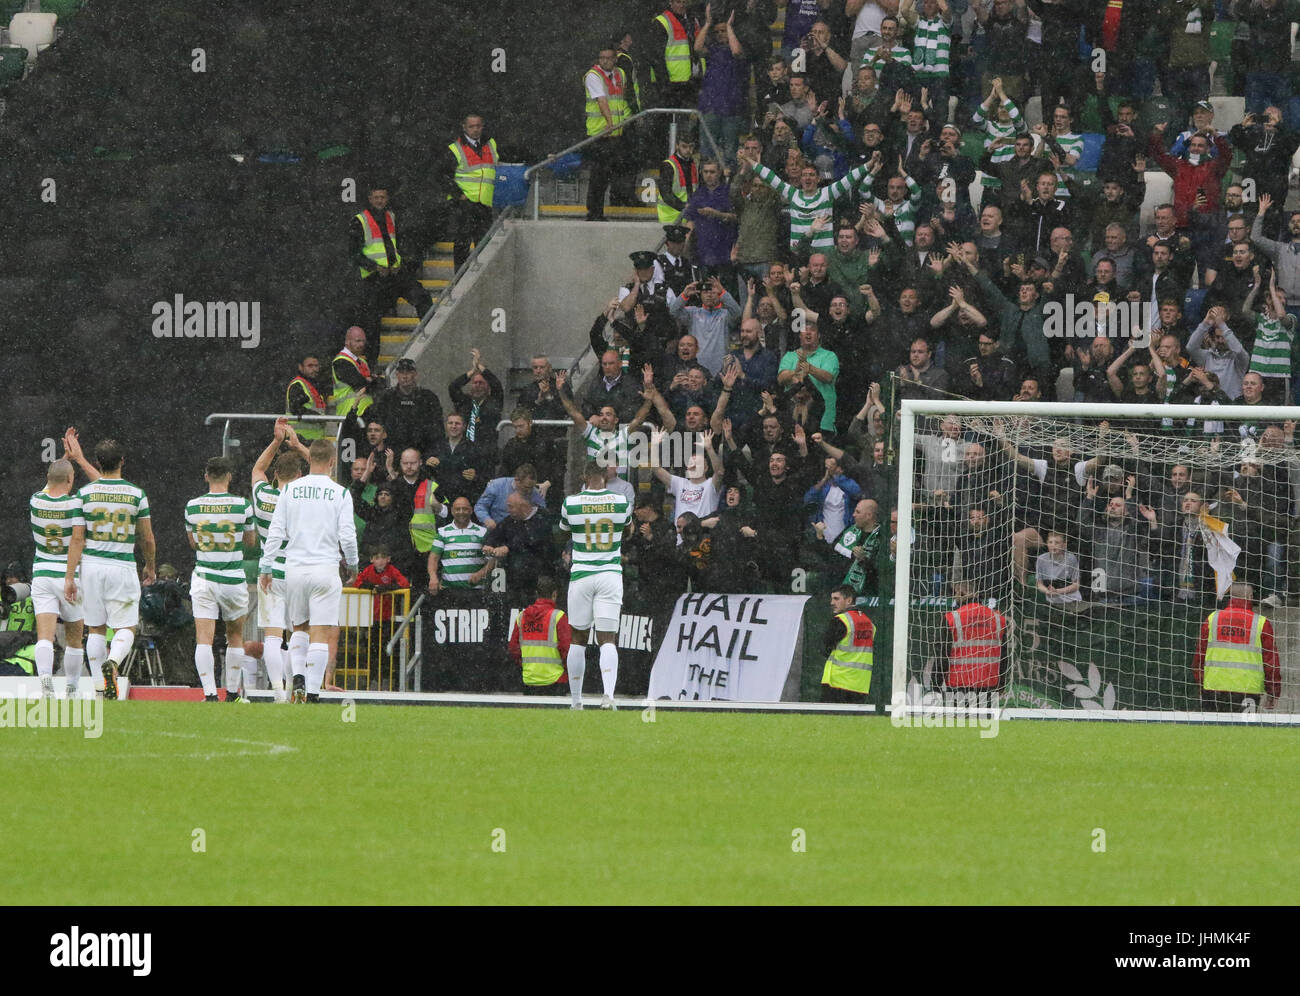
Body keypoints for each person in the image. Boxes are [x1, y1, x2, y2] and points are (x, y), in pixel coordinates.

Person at [259, 439, 359, 704]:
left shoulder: (290, 490)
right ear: (332, 461)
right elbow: (347, 536)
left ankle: (299, 678)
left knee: (299, 628)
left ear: (309, 459)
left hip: (294, 570)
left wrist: (266, 566)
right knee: (320, 632)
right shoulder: (340, 493)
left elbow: (276, 532)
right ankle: (312, 692)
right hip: (325, 568)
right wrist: (353, 563)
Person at [62, 436, 155, 701]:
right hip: (122, 565)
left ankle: (100, 689)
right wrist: (150, 565)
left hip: (91, 566)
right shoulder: (137, 494)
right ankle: (113, 662)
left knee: (95, 629)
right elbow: (147, 538)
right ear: (122, 461)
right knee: (126, 628)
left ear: (97, 462)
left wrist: (70, 576)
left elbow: (77, 539)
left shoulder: (84, 494)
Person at [559, 461, 634, 710]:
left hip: (581, 574)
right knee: (607, 639)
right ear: (605, 476)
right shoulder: (621, 501)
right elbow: (627, 529)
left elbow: (564, 530)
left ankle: (577, 701)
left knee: (578, 639)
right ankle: (608, 697)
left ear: (583, 475)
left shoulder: (571, 502)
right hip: (609, 573)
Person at [184, 456, 257, 702]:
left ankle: (210, 694)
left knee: (203, 638)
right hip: (233, 579)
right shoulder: (243, 506)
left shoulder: (192, 506)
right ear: (230, 476)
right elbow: (250, 542)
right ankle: (234, 693)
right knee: (235, 636)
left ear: (206, 476)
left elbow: (193, 543)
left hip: (204, 577)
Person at [250, 419, 309, 702]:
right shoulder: (305, 500)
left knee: (273, 637)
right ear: (299, 475)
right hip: (296, 572)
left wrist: (276, 441)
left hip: (270, 572)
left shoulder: (263, 497)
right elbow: (326, 475)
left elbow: (256, 469)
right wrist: (298, 445)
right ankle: (297, 681)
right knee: (297, 633)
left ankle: (278, 692)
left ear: (276, 473)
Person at [28, 431, 88, 698]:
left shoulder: (35, 501)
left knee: (45, 635)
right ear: (70, 480)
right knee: (75, 636)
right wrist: (69, 577)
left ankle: (44, 684)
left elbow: (53, 479)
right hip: (67, 576)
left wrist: (64, 459)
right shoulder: (75, 504)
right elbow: (77, 540)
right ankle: (72, 688)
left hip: (41, 575)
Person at [352, 185, 432, 333]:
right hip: (375, 277)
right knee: (372, 320)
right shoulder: (360, 220)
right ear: (370, 199)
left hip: (395, 273)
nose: (380, 201)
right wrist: (374, 267)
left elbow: (397, 244)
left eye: (382, 197)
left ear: (387, 199)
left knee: (422, 296)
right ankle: (372, 355)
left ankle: (427, 333)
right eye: (376, 198)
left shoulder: (391, 217)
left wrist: (400, 263)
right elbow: (353, 253)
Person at [1193, 581, 1280, 712]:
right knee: (1245, 731)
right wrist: (1273, 691)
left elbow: (1199, 657)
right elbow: (1271, 662)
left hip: (1214, 689)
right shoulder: (1261, 623)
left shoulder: (1212, 619)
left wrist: (1200, 684)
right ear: (1250, 597)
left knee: (1211, 731)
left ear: (1231, 597)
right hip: (1248, 691)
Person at [584, 43, 633, 222]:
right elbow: (602, 101)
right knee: (599, 175)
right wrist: (610, 123)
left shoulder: (620, 74)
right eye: (601, 58)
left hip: (616, 133)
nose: (604, 61)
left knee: (612, 172)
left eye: (608, 58)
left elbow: (620, 100)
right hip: (600, 134)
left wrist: (627, 121)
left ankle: (614, 204)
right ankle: (594, 212)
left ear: (615, 59)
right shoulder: (593, 76)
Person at [443, 112, 498, 271]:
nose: (475, 130)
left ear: (483, 126)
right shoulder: (455, 148)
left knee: (484, 242)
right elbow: (441, 175)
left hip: (484, 204)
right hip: (464, 204)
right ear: (464, 127)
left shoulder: (490, 144)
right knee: (462, 243)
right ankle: (460, 277)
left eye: (478, 126)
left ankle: (479, 275)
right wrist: (458, 194)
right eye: (471, 126)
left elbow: (508, 156)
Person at [650, 427, 725, 536]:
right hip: (681, 539)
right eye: (691, 462)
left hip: (703, 537)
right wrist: (654, 445)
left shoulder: (710, 484)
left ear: (705, 468)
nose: (693, 465)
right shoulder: (680, 483)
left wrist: (709, 449)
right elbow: (656, 469)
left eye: (697, 463)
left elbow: (719, 471)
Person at [942, 581, 1009, 694]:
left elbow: (943, 655)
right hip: (989, 685)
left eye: (955, 593)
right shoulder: (999, 619)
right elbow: (1004, 656)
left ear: (961, 593)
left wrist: (936, 685)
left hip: (958, 685)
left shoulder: (952, 618)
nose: (954, 597)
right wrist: (1001, 684)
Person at [508, 575, 572, 696]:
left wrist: (527, 666)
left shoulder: (521, 616)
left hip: (529, 681)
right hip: (555, 681)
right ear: (554, 594)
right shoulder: (558, 617)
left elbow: (513, 648)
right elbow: (567, 650)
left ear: (537, 594)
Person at [370, 358, 445, 458]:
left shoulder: (428, 397)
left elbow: (437, 429)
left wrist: (433, 454)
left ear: (415, 374)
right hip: (392, 452)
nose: (405, 376)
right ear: (396, 374)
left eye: (409, 372)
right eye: (401, 372)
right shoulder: (386, 398)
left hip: (422, 451)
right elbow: (377, 424)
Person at [821, 584, 876, 704]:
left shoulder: (840, 620)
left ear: (849, 600)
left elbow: (825, 648)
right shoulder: (869, 623)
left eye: (836, 599)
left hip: (837, 683)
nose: (832, 602)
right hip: (860, 685)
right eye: (832, 599)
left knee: (830, 720)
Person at [428, 496, 494, 595]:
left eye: (465, 509)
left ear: (471, 511)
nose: (461, 512)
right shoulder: (442, 532)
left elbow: (492, 560)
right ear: (452, 511)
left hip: (477, 592)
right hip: (449, 592)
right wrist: (433, 577)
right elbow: (433, 558)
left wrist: (481, 574)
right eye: (457, 509)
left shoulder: (482, 532)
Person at [447, 348, 505, 446]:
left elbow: (497, 385)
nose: (477, 385)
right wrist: (472, 371)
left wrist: (479, 366)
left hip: (486, 448)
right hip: (464, 448)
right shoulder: (464, 401)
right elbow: (453, 387)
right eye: (475, 382)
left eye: (481, 383)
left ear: (487, 385)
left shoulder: (494, 401)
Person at [284, 354, 329, 442]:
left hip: (314, 439)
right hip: (299, 439)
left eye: (316, 366)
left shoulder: (314, 385)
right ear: (300, 367)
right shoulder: (298, 385)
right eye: (310, 366)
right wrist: (319, 418)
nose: (314, 369)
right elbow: (296, 409)